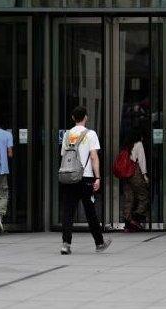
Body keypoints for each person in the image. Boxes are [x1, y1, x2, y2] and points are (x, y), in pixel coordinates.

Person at [60, 106, 111, 255]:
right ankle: (99, 243)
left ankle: (66, 244)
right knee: (90, 211)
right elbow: (94, 156)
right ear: (86, 117)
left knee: (68, 211)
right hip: (85, 177)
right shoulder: (90, 134)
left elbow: (64, 154)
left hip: (69, 176)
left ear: (72, 118)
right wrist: (98, 177)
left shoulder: (67, 134)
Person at [121, 128, 150, 232]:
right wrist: (145, 175)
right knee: (144, 196)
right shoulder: (138, 144)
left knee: (129, 198)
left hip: (125, 174)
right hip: (135, 172)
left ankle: (127, 223)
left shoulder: (126, 144)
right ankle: (135, 217)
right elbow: (141, 160)